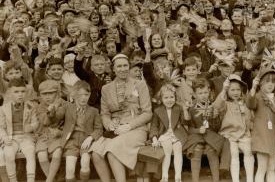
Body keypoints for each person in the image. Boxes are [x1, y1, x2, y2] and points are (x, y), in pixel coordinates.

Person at [91, 54, 152, 182]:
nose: (123, 69)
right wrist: (108, 124)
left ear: (129, 67)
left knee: (113, 150)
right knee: (96, 153)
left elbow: (147, 113)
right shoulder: (106, 88)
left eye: (125, 65)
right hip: (115, 130)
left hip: (136, 128)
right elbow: (105, 113)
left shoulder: (140, 84)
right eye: (119, 66)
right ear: (113, 69)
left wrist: (129, 126)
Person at [214, 74, 254, 182]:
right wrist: (223, 89)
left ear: (241, 91)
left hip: (244, 134)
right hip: (229, 135)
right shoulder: (225, 103)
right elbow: (216, 107)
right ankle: (235, 179)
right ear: (227, 91)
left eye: (237, 90)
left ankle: (250, 179)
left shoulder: (244, 104)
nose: (235, 92)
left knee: (248, 151)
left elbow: (250, 119)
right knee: (234, 153)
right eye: (232, 90)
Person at [61, 80, 103, 182]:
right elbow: (56, 118)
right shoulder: (67, 108)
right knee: (70, 168)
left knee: (85, 162)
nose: (84, 97)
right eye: (80, 95)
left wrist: (91, 138)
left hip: (86, 141)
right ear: (74, 95)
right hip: (71, 141)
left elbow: (99, 128)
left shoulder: (94, 111)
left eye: (86, 94)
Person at [184, 78, 224, 182]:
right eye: (200, 93)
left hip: (210, 135)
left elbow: (217, 128)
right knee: (196, 150)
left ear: (209, 91)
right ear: (195, 94)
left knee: (212, 150)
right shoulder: (191, 108)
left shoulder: (213, 106)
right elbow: (189, 129)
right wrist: (198, 131)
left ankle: (216, 179)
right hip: (196, 136)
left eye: (205, 92)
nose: (203, 95)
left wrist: (215, 118)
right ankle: (195, 179)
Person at [0, 79, 39, 182]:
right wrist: (4, 137)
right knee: (8, 154)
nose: (20, 95)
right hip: (11, 137)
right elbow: (1, 126)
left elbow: (36, 123)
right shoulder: (3, 108)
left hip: (26, 136)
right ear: (9, 92)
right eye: (16, 92)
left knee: (30, 152)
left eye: (22, 91)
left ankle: (31, 180)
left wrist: (30, 127)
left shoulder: (31, 106)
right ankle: (13, 180)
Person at [150, 83, 188, 182]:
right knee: (167, 150)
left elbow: (186, 122)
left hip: (177, 134)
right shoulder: (158, 111)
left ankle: (178, 177)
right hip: (165, 134)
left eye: (171, 97)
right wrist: (154, 138)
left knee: (178, 149)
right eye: (166, 97)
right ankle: (165, 176)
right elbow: (154, 126)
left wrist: (185, 110)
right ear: (161, 99)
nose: (169, 100)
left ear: (175, 97)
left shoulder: (179, 108)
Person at [36, 80, 66, 182]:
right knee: (41, 154)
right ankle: (52, 179)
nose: (47, 97)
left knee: (57, 152)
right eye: (44, 94)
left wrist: (61, 132)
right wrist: (50, 112)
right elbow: (44, 122)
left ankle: (49, 180)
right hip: (44, 135)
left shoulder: (64, 104)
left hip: (59, 135)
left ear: (57, 93)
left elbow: (68, 121)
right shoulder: (40, 107)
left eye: (51, 93)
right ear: (40, 95)